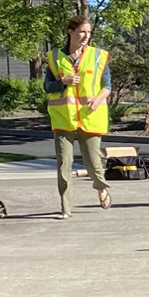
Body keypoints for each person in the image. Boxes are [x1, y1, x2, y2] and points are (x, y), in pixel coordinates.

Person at [43, 16, 113, 219]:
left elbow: (107, 86)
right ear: (70, 32)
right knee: (64, 164)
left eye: (88, 32)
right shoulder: (54, 57)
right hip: (63, 118)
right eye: (82, 31)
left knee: (93, 162)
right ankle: (66, 208)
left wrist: (99, 99)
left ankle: (101, 189)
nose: (86, 36)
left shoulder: (98, 56)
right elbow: (47, 86)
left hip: (90, 117)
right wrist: (62, 81)